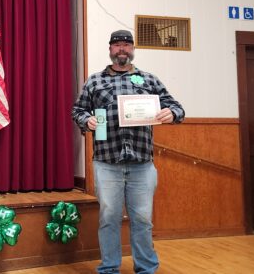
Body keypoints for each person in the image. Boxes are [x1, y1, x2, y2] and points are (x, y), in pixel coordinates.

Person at [72, 29, 184, 274]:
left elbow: (177, 107)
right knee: (109, 218)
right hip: (106, 162)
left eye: (126, 45)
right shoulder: (95, 81)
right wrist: (86, 120)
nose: (122, 49)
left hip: (142, 163)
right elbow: (78, 111)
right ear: (110, 49)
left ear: (133, 49)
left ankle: (146, 268)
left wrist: (172, 113)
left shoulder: (149, 80)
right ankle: (110, 268)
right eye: (117, 45)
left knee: (143, 220)